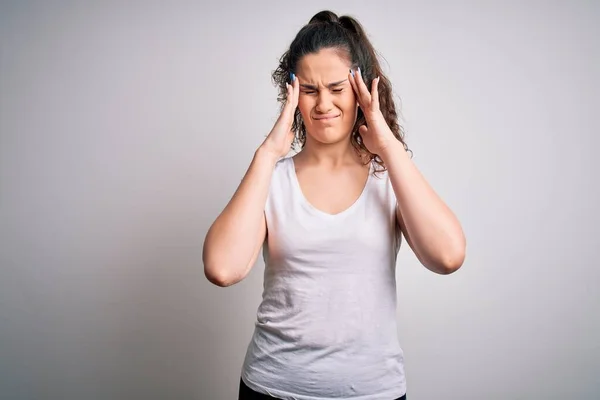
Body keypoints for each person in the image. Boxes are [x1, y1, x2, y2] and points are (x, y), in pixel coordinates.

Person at [202, 10, 466, 400]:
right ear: (292, 95)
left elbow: (447, 256)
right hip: (270, 388)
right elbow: (222, 269)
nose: (323, 103)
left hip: (373, 392)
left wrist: (388, 147)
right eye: (309, 90)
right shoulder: (271, 180)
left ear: (360, 90)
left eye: (336, 88)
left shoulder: (390, 178)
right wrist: (268, 152)